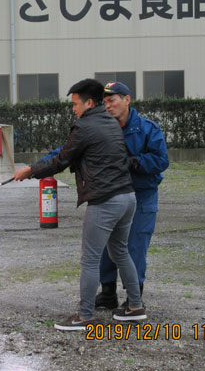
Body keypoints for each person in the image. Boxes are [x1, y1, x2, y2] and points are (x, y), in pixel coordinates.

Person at [13, 79, 145, 331]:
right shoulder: (109, 121)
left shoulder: (85, 126)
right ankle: (135, 306)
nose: (73, 109)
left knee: (90, 258)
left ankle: (85, 316)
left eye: (75, 104)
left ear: (89, 102)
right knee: (120, 251)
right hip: (127, 198)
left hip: (105, 200)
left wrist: (29, 171)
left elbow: (62, 159)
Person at [95, 81, 169, 311]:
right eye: (104, 102)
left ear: (127, 100)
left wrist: (136, 161)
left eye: (112, 100)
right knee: (106, 245)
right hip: (112, 194)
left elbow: (161, 160)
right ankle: (107, 292)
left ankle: (134, 297)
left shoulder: (148, 129)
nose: (107, 106)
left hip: (141, 195)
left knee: (135, 245)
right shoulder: (101, 128)